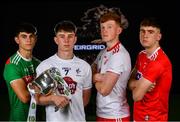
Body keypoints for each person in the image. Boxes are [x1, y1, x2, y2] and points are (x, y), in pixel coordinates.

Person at [34, 20, 92, 122]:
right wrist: (53, 98)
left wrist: (73, 111)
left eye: (70, 36)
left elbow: (85, 99)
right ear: (56, 40)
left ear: (75, 39)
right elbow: (37, 98)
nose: (66, 40)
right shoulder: (45, 66)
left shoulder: (85, 66)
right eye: (62, 36)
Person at [128, 17, 172, 121]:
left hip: (153, 118)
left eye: (150, 32)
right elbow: (128, 83)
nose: (145, 35)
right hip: (138, 115)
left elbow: (136, 96)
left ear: (158, 36)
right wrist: (137, 83)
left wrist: (134, 84)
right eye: (142, 31)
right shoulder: (141, 55)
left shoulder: (158, 62)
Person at [91, 11, 131, 122]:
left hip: (116, 115)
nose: (104, 31)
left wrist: (93, 77)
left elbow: (104, 90)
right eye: (102, 27)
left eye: (109, 27)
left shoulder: (119, 55)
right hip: (102, 113)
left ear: (119, 30)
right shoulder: (103, 52)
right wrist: (100, 76)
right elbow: (91, 68)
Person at [3, 22, 41, 121]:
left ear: (35, 39)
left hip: (39, 116)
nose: (28, 40)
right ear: (17, 40)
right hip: (20, 118)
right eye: (24, 36)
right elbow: (24, 97)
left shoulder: (39, 63)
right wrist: (43, 85)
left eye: (31, 36)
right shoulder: (12, 64)